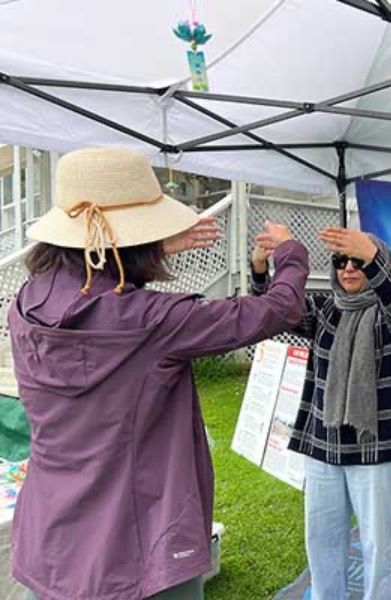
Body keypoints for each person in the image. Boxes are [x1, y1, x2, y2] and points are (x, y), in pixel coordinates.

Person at [8, 147, 309, 600]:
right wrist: (291, 254)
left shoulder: (24, 307)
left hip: (54, 538)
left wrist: (139, 248)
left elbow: (97, 292)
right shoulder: (155, 322)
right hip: (141, 548)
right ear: (132, 243)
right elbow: (276, 310)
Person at [251, 227, 391, 600]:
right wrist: (262, 269)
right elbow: (276, 310)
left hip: (374, 450)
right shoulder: (325, 311)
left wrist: (375, 260)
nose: (347, 268)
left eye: (357, 261)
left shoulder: (388, 317)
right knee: (322, 543)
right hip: (322, 448)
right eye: (340, 261)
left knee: (380, 548)